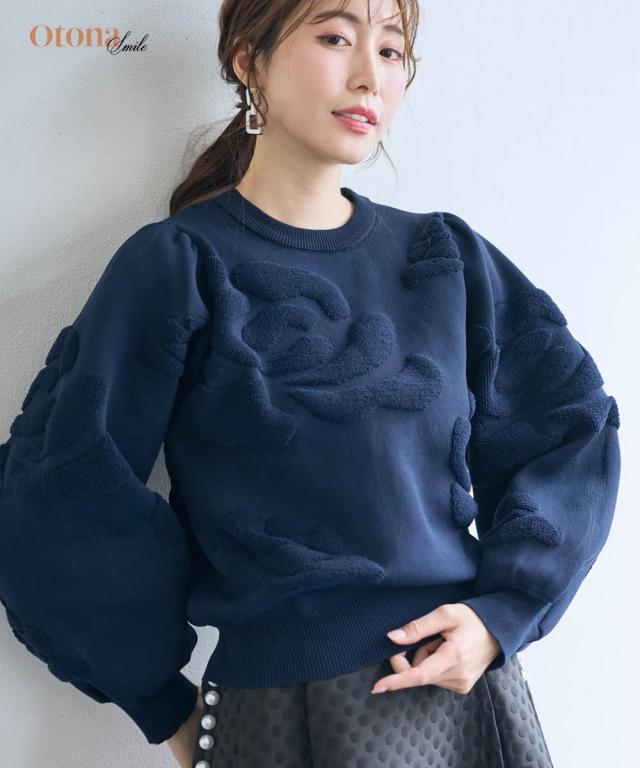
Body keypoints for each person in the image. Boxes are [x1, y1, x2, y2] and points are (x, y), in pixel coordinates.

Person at [0, 0, 621, 767]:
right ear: (248, 60)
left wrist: (503, 616)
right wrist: (164, 706)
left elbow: (570, 425)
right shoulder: (179, 265)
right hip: (284, 715)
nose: (370, 76)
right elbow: (59, 489)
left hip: (468, 704)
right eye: (335, 37)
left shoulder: (445, 259)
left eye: (392, 52)